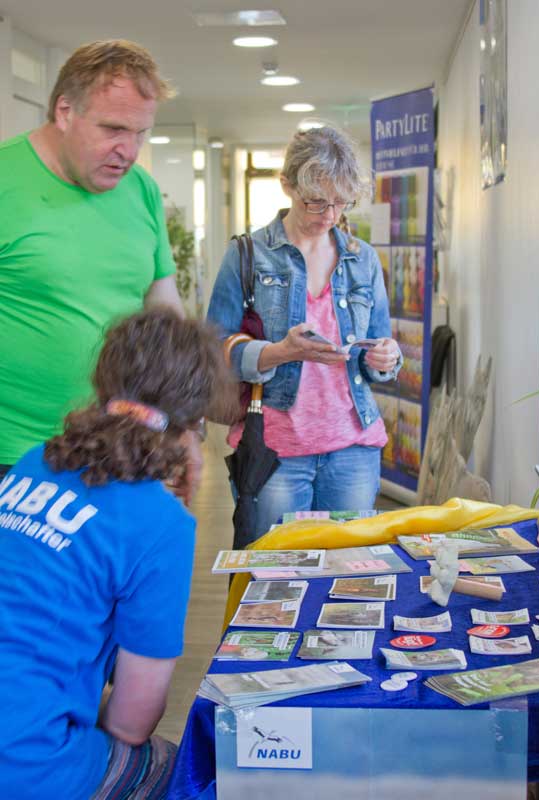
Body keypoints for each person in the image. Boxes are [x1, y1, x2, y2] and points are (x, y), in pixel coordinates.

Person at [0, 308, 237, 800]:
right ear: (195, 420)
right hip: (27, 763)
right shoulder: (161, 524)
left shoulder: (31, 463)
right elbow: (133, 722)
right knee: (188, 772)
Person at [0, 39, 192, 484]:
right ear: (65, 112)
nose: (129, 150)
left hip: (116, 447)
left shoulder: (141, 189)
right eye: (113, 129)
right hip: (12, 452)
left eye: (140, 133)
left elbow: (163, 308)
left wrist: (179, 423)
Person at [207, 125, 402, 541]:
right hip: (275, 451)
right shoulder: (247, 255)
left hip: (353, 446)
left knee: (345, 577)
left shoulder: (361, 258)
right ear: (287, 186)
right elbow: (212, 349)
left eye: (340, 203)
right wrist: (279, 352)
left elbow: (380, 346)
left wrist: (385, 358)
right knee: (272, 579)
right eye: (315, 202)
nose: (329, 216)